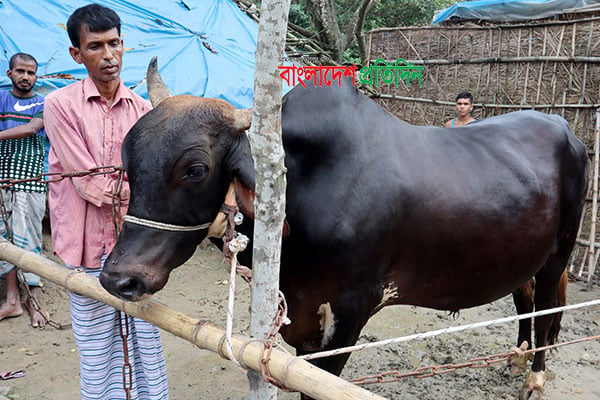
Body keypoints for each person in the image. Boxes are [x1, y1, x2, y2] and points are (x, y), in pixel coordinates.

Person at [44, 4, 168, 399]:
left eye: (115, 43)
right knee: (97, 347)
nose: (109, 54)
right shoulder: (60, 106)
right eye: (95, 46)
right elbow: (90, 187)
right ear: (76, 55)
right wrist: (150, 194)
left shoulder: (144, 109)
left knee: (145, 338)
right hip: (84, 242)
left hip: (135, 247)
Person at [0, 53, 50, 328]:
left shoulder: (44, 102)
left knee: (29, 237)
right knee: (4, 238)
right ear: (10, 74)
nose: (26, 77)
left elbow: (33, 129)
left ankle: (35, 302)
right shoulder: (1, 99)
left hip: (30, 178)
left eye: (31, 72)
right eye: (21, 71)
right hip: (1, 178)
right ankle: (12, 301)